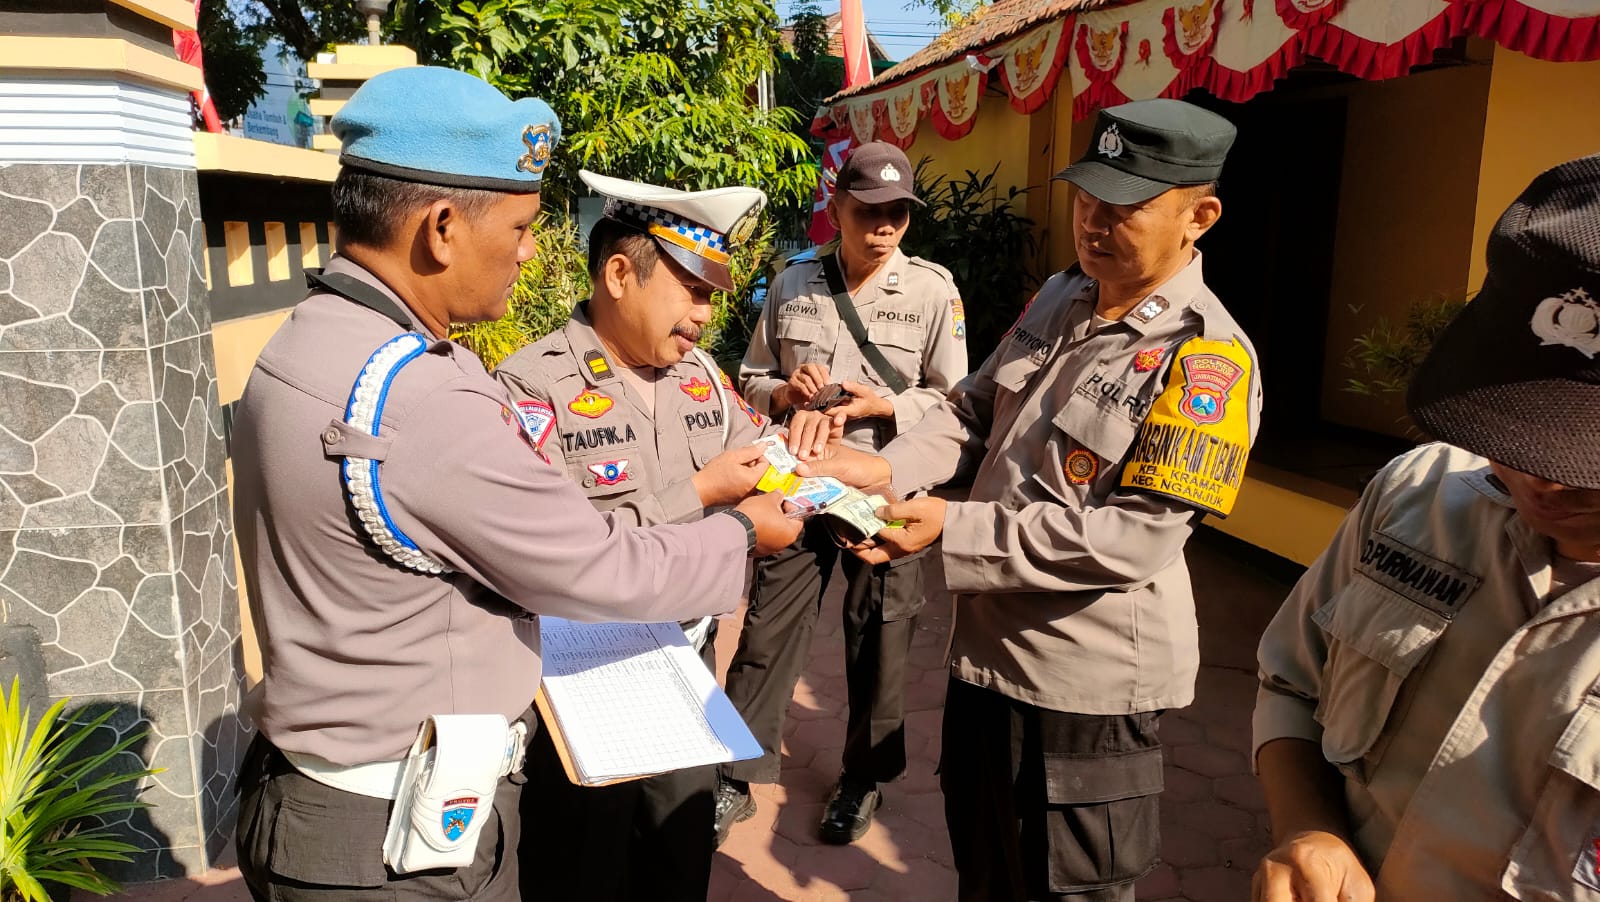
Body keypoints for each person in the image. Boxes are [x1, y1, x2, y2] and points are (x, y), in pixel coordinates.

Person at [230, 67, 801, 901]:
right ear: (443, 227)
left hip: (342, 794)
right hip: (393, 837)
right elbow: (597, 567)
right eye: (523, 225)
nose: (532, 251)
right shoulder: (426, 396)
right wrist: (743, 530)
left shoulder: (313, 341)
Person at [810, 99, 1261, 900]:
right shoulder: (1063, 296)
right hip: (987, 664)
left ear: (1201, 215)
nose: (1093, 222)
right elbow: (970, 410)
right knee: (984, 875)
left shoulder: (1207, 359)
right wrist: (884, 473)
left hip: (1083, 691)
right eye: (1087, 197)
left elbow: (1135, 539)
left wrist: (953, 528)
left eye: (1124, 207)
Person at [1251, 154, 1600, 901]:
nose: (1547, 477)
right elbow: (1290, 682)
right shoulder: (1419, 494)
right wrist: (1308, 828)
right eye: (1520, 429)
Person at [495, 171, 836, 900]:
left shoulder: (701, 378)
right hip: (587, 677)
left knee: (678, 863)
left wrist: (809, 467)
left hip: (684, 666)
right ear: (620, 273)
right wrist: (701, 493)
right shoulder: (531, 388)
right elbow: (554, 553)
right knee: (583, 870)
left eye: (713, 296)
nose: (706, 315)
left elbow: (759, 456)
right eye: (694, 290)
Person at [717, 140, 970, 845]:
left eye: (898, 213)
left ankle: (863, 781)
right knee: (768, 632)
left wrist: (882, 407)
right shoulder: (794, 280)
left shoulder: (932, 290)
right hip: (797, 485)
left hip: (885, 490)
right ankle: (733, 778)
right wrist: (781, 390)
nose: (884, 225)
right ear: (838, 210)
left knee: (882, 642)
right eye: (869, 211)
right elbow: (751, 377)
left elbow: (955, 403)